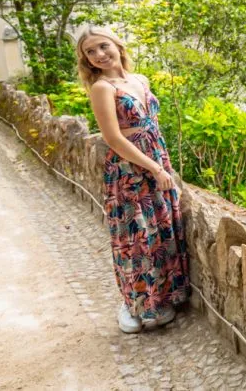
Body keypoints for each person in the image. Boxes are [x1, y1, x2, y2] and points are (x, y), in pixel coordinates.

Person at [77, 25, 190, 334]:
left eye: (103, 46)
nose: (99, 54)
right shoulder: (102, 88)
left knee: (161, 229)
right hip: (129, 170)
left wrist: (160, 164)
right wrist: (153, 168)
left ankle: (164, 295)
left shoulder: (140, 80)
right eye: (91, 51)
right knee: (136, 236)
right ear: (86, 59)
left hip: (155, 158)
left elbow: (150, 125)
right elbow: (113, 138)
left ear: (117, 45)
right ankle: (135, 302)